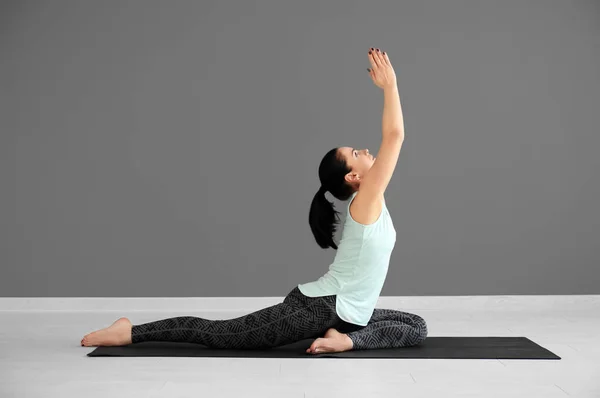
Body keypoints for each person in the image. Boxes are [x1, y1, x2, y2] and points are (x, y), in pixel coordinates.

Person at [81, 48, 428, 354]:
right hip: (319, 308)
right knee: (222, 334)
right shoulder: (365, 201)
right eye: (356, 153)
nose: (366, 151)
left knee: (415, 325)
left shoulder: (373, 201)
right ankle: (129, 332)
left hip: (350, 313)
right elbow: (395, 136)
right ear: (353, 178)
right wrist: (390, 87)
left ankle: (344, 339)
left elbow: (391, 140)